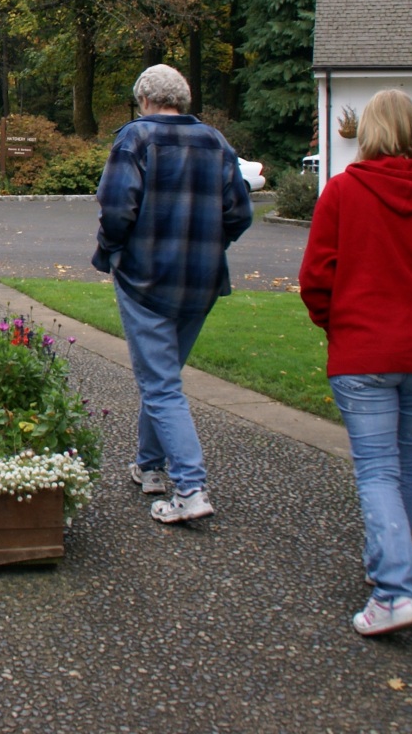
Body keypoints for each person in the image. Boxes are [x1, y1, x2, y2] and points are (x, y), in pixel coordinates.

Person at [299, 90, 412, 636]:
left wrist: (337, 324)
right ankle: (388, 565)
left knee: (377, 469)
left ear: (368, 131)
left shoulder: (343, 191)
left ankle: (396, 589)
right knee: (407, 464)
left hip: (364, 351)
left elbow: (316, 277)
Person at [93, 64, 252, 524]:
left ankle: (190, 487)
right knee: (163, 377)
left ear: (144, 100)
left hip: (146, 278)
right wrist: (212, 243)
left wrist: (111, 251)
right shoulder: (215, 142)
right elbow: (239, 213)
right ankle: (149, 465)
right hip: (200, 280)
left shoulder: (136, 138)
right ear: (181, 99)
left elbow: (116, 208)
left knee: (160, 383)